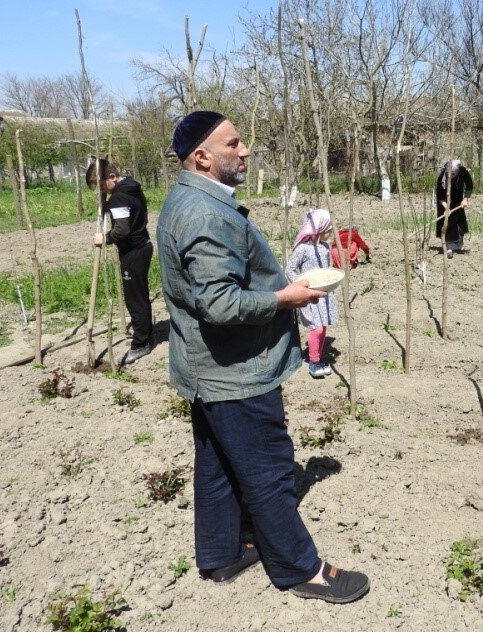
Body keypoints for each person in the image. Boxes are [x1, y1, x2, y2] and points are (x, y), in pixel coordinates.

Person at [156, 110, 369, 604]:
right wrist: (285, 298)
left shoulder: (189, 199)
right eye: (234, 144)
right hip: (237, 371)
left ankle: (222, 553)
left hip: (207, 368)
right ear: (203, 157)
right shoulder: (206, 214)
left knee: (217, 465)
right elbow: (220, 303)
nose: (246, 150)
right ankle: (300, 569)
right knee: (269, 469)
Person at [86, 157, 153, 365]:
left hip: (133, 251)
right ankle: (145, 334)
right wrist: (109, 206)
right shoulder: (131, 188)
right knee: (139, 294)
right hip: (143, 246)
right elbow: (131, 213)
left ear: (112, 177)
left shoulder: (119, 197)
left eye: (101, 186)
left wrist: (104, 238)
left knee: (134, 298)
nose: (101, 192)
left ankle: (141, 343)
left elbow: (122, 230)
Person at [286, 209, 339, 379]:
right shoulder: (303, 249)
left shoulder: (324, 247)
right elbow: (289, 269)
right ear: (320, 229)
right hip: (310, 296)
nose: (330, 233)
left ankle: (318, 357)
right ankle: (314, 362)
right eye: (328, 229)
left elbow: (325, 268)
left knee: (322, 327)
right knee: (316, 328)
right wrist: (300, 284)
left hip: (323, 294)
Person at [435, 158, 473, 258]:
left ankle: (458, 247)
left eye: (453, 174)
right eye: (449, 174)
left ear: (457, 171)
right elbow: (439, 196)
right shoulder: (441, 178)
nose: (450, 176)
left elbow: (469, 186)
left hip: (458, 201)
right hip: (444, 203)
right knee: (448, 224)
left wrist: (465, 199)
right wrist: (446, 208)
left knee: (459, 223)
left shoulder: (462, 172)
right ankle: (448, 248)